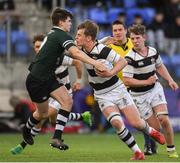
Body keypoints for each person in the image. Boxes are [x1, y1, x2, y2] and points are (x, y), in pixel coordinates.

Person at [75, 20, 165, 160]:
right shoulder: (80, 48)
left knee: (136, 123)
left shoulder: (103, 50)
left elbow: (122, 62)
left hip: (117, 89)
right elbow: (68, 51)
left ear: (88, 37)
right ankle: (137, 152)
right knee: (116, 123)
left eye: (79, 35)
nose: (76, 37)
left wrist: (110, 72)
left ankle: (152, 131)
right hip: (101, 94)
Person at [22, 7, 107, 151]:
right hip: (37, 80)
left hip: (47, 78)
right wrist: (95, 62)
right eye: (68, 21)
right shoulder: (61, 35)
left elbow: (77, 50)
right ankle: (26, 129)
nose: (70, 24)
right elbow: (76, 53)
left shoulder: (56, 34)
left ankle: (56, 138)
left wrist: (102, 42)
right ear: (61, 22)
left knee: (67, 101)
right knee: (43, 114)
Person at [10, 34, 92, 154]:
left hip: (63, 93)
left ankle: (22, 145)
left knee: (43, 116)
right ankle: (82, 116)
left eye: (40, 46)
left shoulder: (58, 58)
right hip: (49, 93)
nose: (38, 49)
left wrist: (79, 80)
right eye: (36, 47)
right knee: (53, 121)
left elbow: (78, 63)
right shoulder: (38, 63)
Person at [100, 20, 157, 155]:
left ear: (125, 31)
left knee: (141, 117)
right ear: (112, 33)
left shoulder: (134, 42)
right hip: (117, 88)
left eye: (120, 29)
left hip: (136, 84)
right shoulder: (108, 47)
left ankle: (149, 145)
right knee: (134, 121)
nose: (118, 33)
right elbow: (90, 49)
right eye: (115, 31)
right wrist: (103, 42)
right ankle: (150, 142)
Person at [123, 24, 179, 158]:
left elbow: (159, 66)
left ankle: (171, 149)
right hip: (138, 95)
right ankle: (152, 145)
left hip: (154, 89)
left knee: (164, 119)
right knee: (155, 128)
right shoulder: (129, 58)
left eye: (137, 38)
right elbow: (127, 80)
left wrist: (170, 80)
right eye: (132, 39)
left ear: (144, 37)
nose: (135, 41)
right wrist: (146, 81)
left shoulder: (153, 51)